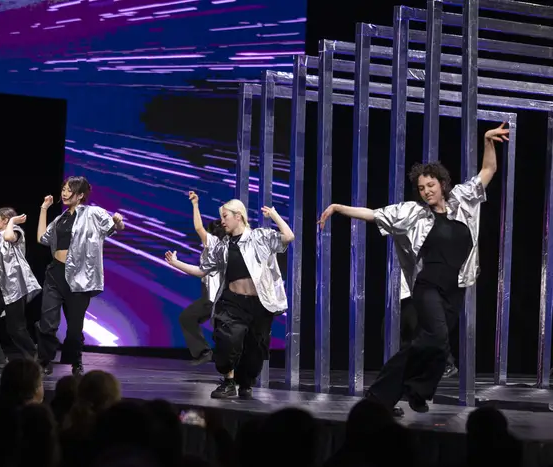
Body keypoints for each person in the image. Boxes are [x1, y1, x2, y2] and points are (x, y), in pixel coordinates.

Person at [318, 123, 508, 416]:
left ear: (442, 184)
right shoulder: (413, 213)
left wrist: (487, 141)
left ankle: (391, 395)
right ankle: (410, 392)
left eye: (430, 185)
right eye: (421, 187)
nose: (426, 191)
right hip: (428, 286)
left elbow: (488, 171)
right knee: (437, 340)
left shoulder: (463, 200)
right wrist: (339, 208)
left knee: (427, 344)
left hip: (456, 289)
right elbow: (375, 214)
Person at [165, 199, 294, 399]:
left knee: (255, 351)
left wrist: (275, 215)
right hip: (232, 302)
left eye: (225, 216)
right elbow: (202, 271)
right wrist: (176, 263)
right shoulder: (222, 247)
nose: (222, 221)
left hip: (260, 304)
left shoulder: (258, 237)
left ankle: (245, 383)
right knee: (227, 340)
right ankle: (227, 381)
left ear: (238, 216)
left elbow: (288, 236)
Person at [36, 176, 125, 376]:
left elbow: (113, 228)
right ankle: (43, 361)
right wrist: (44, 208)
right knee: (47, 321)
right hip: (55, 273)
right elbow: (42, 238)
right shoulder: (61, 219)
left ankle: (75, 361)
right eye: (64, 189)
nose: (64, 193)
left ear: (80, 195)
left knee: (75, 328)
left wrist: (118, 223)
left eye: (69, 190)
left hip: (79, 277)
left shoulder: (93, 213)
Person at [0, 208, 41, 367]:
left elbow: (9, 236)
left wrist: (12, 221)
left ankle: (36, 359)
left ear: (4, 220)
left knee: (16, 329)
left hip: (14, 287)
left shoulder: (16, 232)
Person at [178, 191, 226, 365]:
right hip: (215, 296)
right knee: (220, 331)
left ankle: (205, 352)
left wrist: (195, 205)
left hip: (213, 297)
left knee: (187, 318)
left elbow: (198, 227)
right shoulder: (224, 246)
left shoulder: (214, 244)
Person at [382, 273, 458, 378]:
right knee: (392, 331)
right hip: (401, 295)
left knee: (418, 331)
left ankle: (446, 362)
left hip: (413, 294)